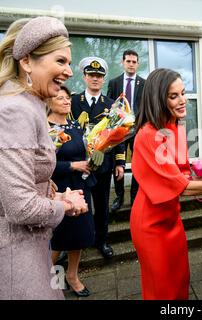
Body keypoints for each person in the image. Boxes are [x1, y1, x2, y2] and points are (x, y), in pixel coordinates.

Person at [0, 16, 87, 300]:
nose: (69, 72)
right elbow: (20, 208)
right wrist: (66, 204)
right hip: (13, 257)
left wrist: (54, 197)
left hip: (24, 246)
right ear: (27, 61)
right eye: (60, 61)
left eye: (68, 63)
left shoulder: (25, 104)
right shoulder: (13, 111)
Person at [130, 68, 202, 300]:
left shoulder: (175, 127)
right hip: (150, 226)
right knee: (161, 291)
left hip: (171, 218)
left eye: (183, 93)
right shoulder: (147, 136)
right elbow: (182, 188)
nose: (183, 100)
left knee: (179, 284)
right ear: (158, 99)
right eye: (174, 96)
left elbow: (184, 179)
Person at [71, 57, 125, 259]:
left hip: (103, 164)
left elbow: (118, 135)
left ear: (103, 80)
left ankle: (102, 241)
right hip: (80, 165)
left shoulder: (111, 105)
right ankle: (82, 241)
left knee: (102, 206)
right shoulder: (74, 102)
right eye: (91, 75)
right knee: (81, 205)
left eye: (99, 76)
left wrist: (120, 162)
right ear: (84, 77)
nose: (95, 79)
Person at [48, 85, 96, 297]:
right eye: (60, 98)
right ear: (49, 101)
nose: (67, 101)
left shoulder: (75, 125)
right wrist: (73, 166)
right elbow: (41, 165)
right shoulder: (45, 129)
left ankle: (72, 276)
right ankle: (50, 278)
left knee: (79, 237)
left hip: (79, 188)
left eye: (68, 98)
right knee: (58, 239)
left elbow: (84, 150)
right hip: (58, 191)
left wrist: (92, 159)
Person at [107, 50, 145, 211]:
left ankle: (135, 196)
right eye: (128, 61)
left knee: (137, 163)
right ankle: (119, 196)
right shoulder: (114, 83)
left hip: (137, 130)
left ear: (138, 64)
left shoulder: (144, 83)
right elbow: (110, 105)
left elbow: (146, 106)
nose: (131, 64)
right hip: (119, 130)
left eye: (134, 61)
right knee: (118, 162)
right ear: (122, 63)